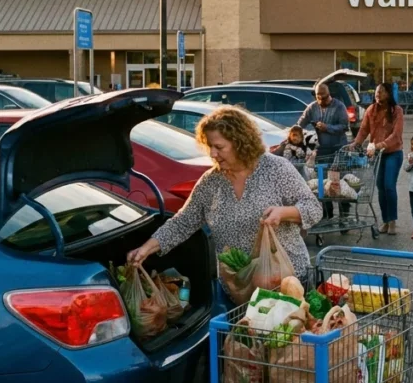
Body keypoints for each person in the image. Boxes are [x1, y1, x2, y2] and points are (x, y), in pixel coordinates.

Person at [126, 107, 324, 286]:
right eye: (209, 146)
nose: (212, 153)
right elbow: (183, 222)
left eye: (219, 147)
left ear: (240, 143)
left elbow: (314, 209)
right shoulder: (211, 181)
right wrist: (147, 248)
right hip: (238, 288)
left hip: (286, 283)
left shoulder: (276, 168)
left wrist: (284, 213)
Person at [355, 82, 405, 235]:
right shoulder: (371, 110)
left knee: (389, 185)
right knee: (380, 188)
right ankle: (385, 220)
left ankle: (392, 222)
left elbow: (396, 135)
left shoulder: (396, 111)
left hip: (393, 153)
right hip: (377, 155)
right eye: (376, 92)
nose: (378, 94)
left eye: (381, 92)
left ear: (388, 94)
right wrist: (355, 143)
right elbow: (364, 130)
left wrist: (381, 144)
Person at [296, 82, 351, 219]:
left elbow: (344, 126)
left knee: (340, 183)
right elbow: (299, 124)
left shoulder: (339, 106)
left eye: (324, 97)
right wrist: (295, 136)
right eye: (318, 97)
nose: (321, 100)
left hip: (338, 149)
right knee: (322, 184)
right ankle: (327, 214)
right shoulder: (312, 107)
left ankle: (344, 215)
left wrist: (328, 128)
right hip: (321, 150)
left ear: (329, 94)